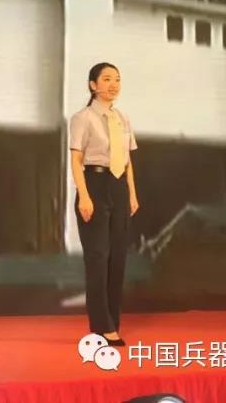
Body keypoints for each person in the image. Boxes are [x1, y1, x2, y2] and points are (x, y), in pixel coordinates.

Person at [69, 62, 139, 347]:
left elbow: (128, 161)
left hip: (119, 187)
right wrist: (84, 195)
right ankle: (102, 325)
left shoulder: (122, 118)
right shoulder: (82, 118)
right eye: (107, 79)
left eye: (117, 80)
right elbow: (76, 159)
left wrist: (132, 194)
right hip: (94, 184)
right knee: (98, 258)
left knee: (117, 258)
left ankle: (113, 321)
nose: (113, 85)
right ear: (93, 85)